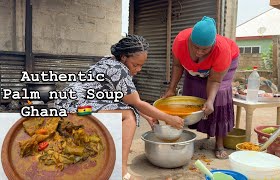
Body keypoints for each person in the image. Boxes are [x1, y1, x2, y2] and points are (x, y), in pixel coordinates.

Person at [55, 35, 184, 179]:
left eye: (141, 65)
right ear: (123, 57)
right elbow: (137, 102)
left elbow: (125, 99)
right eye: (135, 65)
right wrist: (169, 118)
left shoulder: (109, 60)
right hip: (76, 109)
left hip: (67, 104)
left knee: (128, 108)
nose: (139, 69)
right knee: (129, 115)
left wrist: (148, 116)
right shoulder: (119, 70)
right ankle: (120, 170)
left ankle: (100, 160)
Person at [163, 16, 240, 159]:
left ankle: (219, 143)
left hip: (225, 65)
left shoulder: (222, 50)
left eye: (204, 49)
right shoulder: (180, 41)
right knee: (192, 88)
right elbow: (178, 66)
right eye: (195, 47)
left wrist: (210, 100)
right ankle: (182, 136)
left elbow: (215, 80)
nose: (199, 52)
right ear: (190, 41)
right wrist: (171, 88)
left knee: (218, 97)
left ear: (212, 45)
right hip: (196, 68)